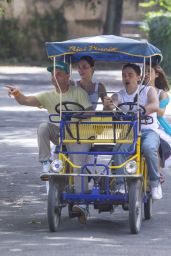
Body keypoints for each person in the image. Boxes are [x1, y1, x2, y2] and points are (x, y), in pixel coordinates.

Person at [5, 61, 93, 224]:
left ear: (68, 76)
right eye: (52, 74)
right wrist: (17, 94)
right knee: (43, 127)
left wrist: (78, 116)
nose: (54, 77)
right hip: (59, 134)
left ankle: (82, 203)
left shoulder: (78, 93)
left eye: (59, 73)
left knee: (78, 164)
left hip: (79, 135)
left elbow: (90, 112)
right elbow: (26, 100)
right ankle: (46, 163)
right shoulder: (48, 95)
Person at [103, 63, 162, 200]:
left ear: (138, 77)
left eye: (130, 75)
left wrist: (140, 112)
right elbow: (113, 105)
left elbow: (154, 105)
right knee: (118, 152)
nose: (126, 78)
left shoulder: (148, 90)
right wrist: (109, 105)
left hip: (149, 131)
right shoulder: (120, 95)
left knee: (148, 148)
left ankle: (154, 183)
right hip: (129, 132)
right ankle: (119, 184)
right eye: (124, 75)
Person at [144, 64, 171, 176]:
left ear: (156, 74)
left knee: (157, 144)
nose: (145, 74)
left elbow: (160, 112)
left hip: (157, 125)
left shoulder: (161, 93)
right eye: (143, 71)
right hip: (141, 124)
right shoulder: (138, 90)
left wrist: (151, 105)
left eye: (148, 72)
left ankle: (157, 175)